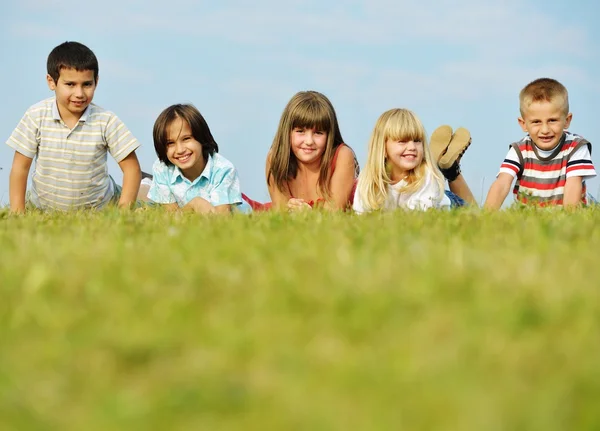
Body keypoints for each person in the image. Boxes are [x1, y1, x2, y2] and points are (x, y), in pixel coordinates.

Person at [5, 41, 142, 213]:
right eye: (70, 84)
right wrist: (18, 214)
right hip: (42, 206)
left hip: (100, 206)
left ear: (96, 82)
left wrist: (122, 214)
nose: (79, 93)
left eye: (87, 84)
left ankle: (146, 189)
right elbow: (20, 168)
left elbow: (132, 169)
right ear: (51, 82)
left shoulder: (106, 120)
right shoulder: (36, 116)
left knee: (148, 206)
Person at [484, 77, 596, 208]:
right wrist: (487, 214)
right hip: (530, 215)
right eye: (536, 122)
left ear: (567, 120)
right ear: (523, 124)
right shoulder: (519, 150)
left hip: (570, 210)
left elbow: (573, 185)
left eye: (552, 120)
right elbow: (502, 183)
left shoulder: (576, 147)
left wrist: (568, 219)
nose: (545, 130)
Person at [243, 90, 359, 212]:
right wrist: (290, 209)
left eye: (318, 133)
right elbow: (281, 209)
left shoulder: (342, 155)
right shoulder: (275, 158)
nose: (309, 141)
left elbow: (335, 210)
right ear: (287, 132)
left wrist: (308, 213)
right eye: (300, 131)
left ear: (329, 135)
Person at [353, 108, 476, 213]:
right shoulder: (368, 180)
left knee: (478, 217)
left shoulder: (425, 176)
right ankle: (447, 168)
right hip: (431, 193)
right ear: (383, 148)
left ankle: (444, 168)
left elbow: (419, 217)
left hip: (448, 205)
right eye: (402, 141)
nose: (412, 147)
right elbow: (361, 214)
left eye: (417, 141)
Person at [144, 104, 245, 214]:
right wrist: (194, 205)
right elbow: (173, 217)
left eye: (186, 139)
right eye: (170, 143)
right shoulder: (162, 168)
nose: (180, 150)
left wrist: (197, 205)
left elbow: (221, 219)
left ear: (201, 138)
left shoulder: (223, 169)